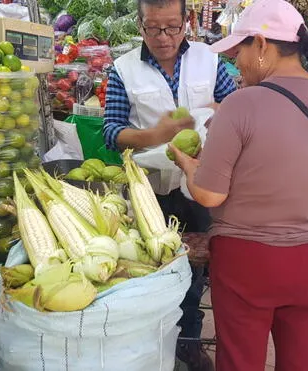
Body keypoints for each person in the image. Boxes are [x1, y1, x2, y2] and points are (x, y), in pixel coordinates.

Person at [168, 0, 308, 369]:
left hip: (249, 261)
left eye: (241, 50)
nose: (238, 61)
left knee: (241, 360)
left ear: (264, 46)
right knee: (301, 358)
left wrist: (187, 164)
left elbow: (208, 194)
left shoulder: (242, 103)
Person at [102, 0, 237, 369]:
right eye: (153, 28)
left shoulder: (209, 61)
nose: (163, 38)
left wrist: (217, 110)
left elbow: (238, 107)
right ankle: (152, 338)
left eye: (172, 28)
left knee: (195, 269)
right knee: (152, 266)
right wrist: (153, 135)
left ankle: (189, 340)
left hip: (200, 185)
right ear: (140, 25)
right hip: (151, 191)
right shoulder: (123, 69)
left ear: (187, 22)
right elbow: (111, 132)